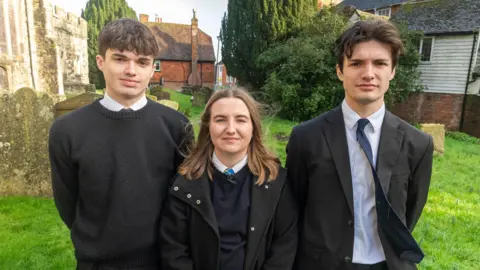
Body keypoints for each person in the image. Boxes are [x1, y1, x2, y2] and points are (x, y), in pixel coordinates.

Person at [287, 19, 434, 270]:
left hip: (388, 264)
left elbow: (410, 210)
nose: (368, 73)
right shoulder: (306, 137)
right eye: (356, 63)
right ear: (340, 71)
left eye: (380, 63)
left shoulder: (418, 144)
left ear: (393, 71)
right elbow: (293, 208)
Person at [48, 18, 193, 269]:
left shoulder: (177, 126)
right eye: (120, 59)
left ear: (151, 69)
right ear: (100, 62)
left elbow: (186, 200)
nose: (131, 70)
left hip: (163, 261)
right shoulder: (67, 130)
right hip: (97, 263)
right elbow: (67, 202)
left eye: (142, 62)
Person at [159, 87, 298, 270]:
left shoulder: (276, 181)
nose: (230, 129)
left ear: (253, 127)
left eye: (240, 120)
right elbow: (174, 249)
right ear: (208, 127)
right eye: (220, 120)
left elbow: (284, 246)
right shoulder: (185, 183)